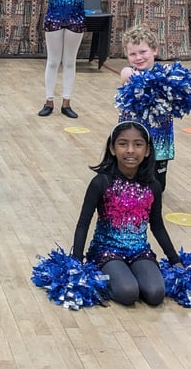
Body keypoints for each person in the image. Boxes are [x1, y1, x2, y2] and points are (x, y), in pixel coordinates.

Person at [15, 0, 122, 118]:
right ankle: (49, 101)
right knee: (53, 61)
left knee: (70, 62)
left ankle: (66, 102)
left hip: (76, 20)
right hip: (54, 19)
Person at [71, 121, 181, 306]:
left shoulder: (153, 186)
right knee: (128, 292)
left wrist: (175, 260)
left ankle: (130, 273)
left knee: (156, 294)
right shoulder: (101, 182)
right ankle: (110, 275)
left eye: (138, 144)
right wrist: (76, 262)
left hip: (139, 251)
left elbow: (158, 226)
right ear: (112, 149)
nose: (130, 150)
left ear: (147, 150)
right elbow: (83, 224)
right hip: (106, 252)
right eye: (123, 144)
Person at [118, 24, 191, 193]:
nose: (138, 57)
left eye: (143, 52)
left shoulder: (167, 73)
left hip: (160, 141)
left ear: (154, 50)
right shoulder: (129, 71)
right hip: (133, 138)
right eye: (132, 54)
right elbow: (128, 75)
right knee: (130, 183)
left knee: (157, 185)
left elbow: (183, 89)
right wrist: (159, 81)